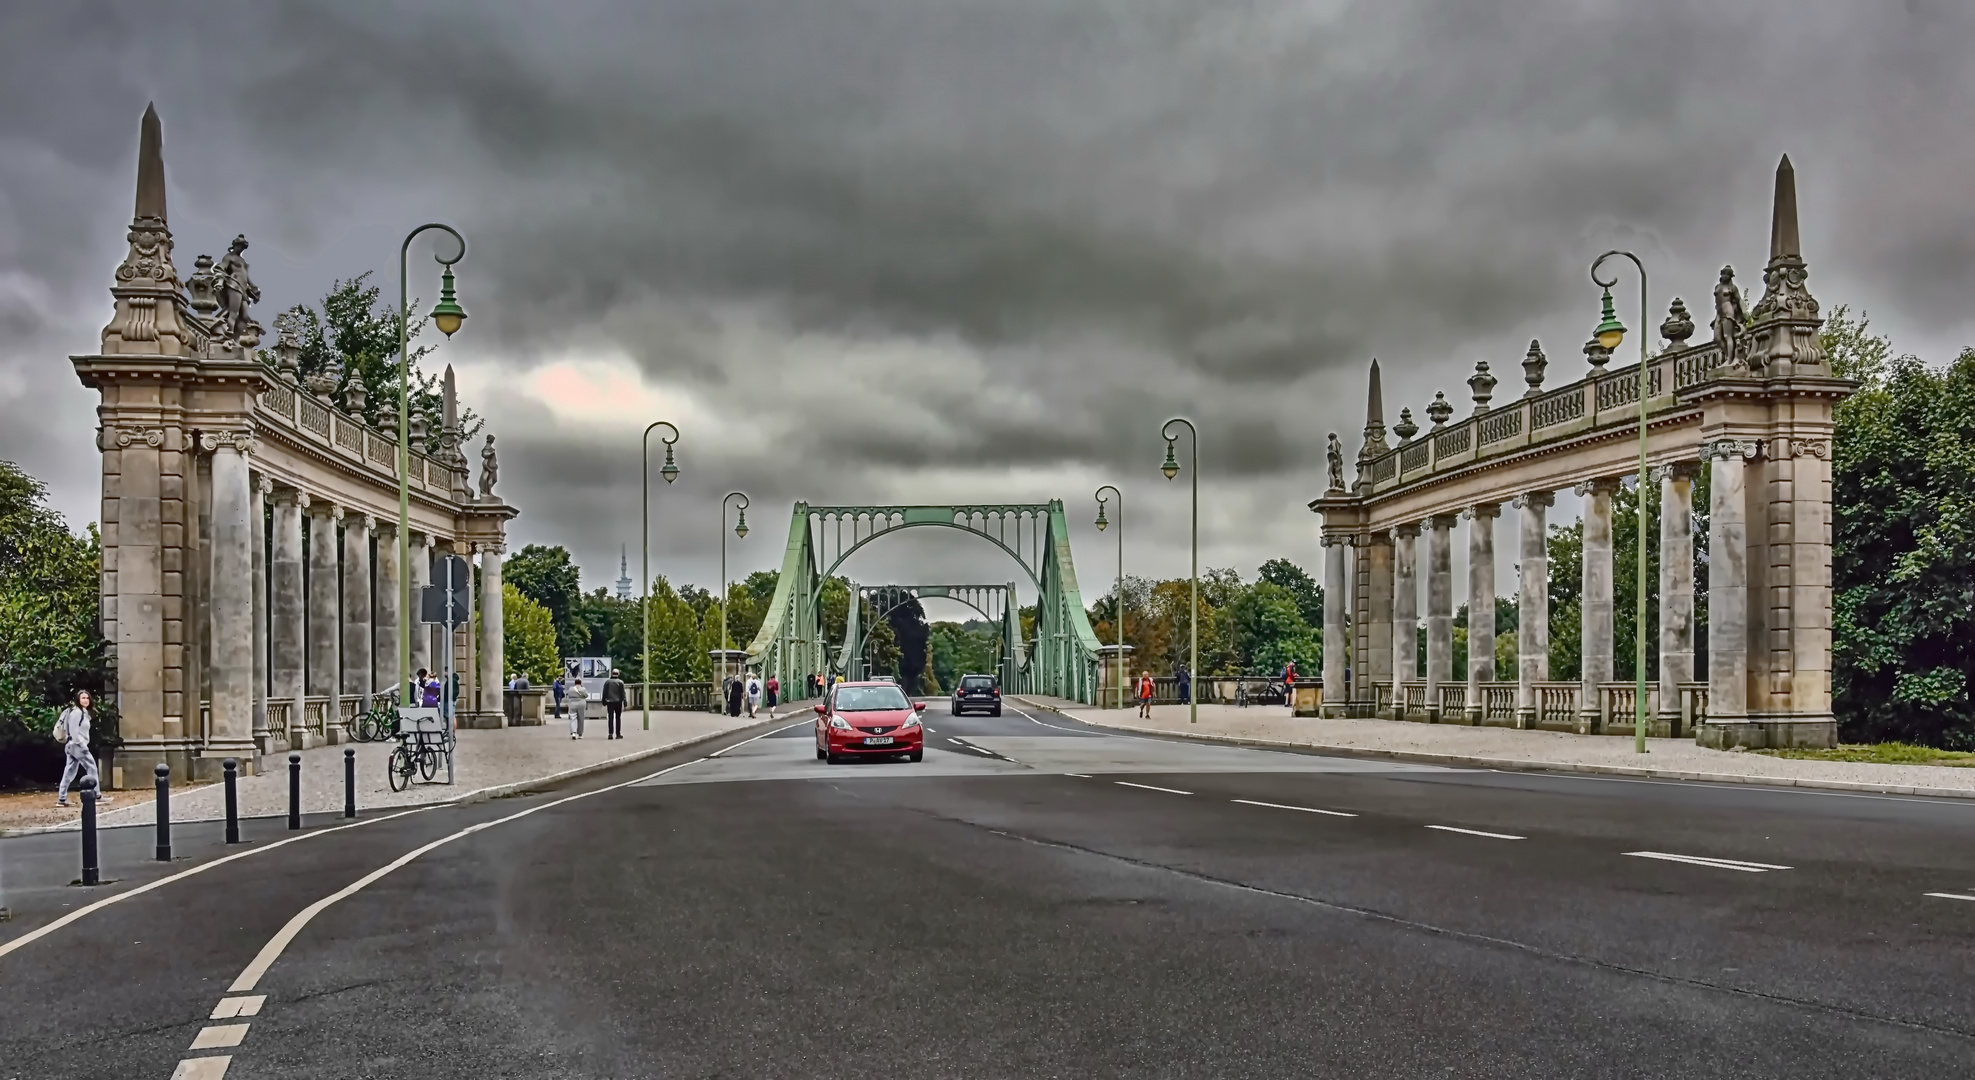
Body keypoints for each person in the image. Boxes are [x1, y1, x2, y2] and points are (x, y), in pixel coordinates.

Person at [54, 690, 109, 808]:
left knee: (69, 772)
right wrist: (82, 745)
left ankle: (62, 798)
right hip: (77, 745)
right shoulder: (77, 713)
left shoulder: (83, 713)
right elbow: (74, 731)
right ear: (78, 700)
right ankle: (97, 795)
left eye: (87, 698)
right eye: (83, 698)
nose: (85, 700)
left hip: (72, 746)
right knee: (92, 768)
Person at [602, 668, 627, 739]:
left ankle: (610, 733)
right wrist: (625, 702)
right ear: (618, 674)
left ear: (612, 673)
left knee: (610, 718)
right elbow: (623, 693)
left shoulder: (607, 682)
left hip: (610, 702)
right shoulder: (620, 682)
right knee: (618, 718)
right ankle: (618, 733)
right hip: (618, 702)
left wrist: (604, 701)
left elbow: (604, 692)